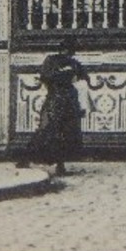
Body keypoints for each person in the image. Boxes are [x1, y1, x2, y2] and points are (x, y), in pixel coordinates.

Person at [17, 48, 89, 177]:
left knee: (63, 133)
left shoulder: (68, 62)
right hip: (57, 101)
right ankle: (27, 159)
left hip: (64, 101)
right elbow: (47, 77)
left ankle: (59, 166)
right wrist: (67, 76)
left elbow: (83, 78)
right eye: (66, 49)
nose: (67, 52)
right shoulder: (57, 61)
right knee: (48, 131)